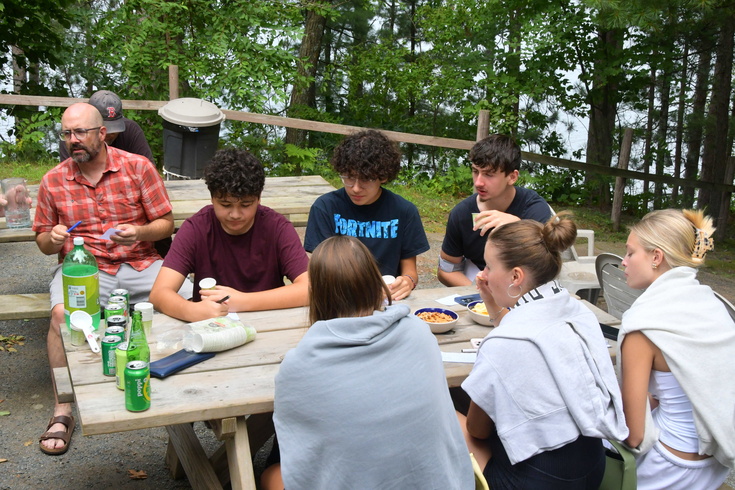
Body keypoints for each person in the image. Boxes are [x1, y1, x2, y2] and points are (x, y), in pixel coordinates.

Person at [261, 236, 474, 490]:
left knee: (270, 475)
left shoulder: (299, 365)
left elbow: (301, 448)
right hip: (441, 482)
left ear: (316, 294)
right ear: (374, 282)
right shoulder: (417, 330)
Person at [33, 102, 181, 455]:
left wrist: (140, 232)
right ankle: (63, 408)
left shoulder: (138, 167)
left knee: (186, 299)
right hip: (85, 271)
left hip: (141, 263)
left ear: (103, 133)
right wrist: (50, 239)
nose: (73, 140)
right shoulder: (53, 180)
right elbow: (40, 239)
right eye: (67, 133)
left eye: (81, 132)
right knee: (59, 316)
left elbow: (166, 223)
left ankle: (195, 390)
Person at [459, 216, 628, 488]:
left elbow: (476, 431)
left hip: (537, 481)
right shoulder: (577, 311)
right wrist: (493, 304)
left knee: (449, 413)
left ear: (516, 276)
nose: (484, 275)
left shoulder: (501, 343)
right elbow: (532, 331)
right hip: (593, 466)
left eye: (489, 266)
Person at [618, 209, 735, 489]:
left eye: (631, 253)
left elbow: (633, 436)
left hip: (671, 466)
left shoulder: (644, 326)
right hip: (716, 459)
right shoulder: (710, 303)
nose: (623, 262)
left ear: (656, 257)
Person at [149, 148, 309, 322]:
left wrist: (242, 301)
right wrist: (190, 310)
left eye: (246, 204)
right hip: (212, 327)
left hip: (269, 321)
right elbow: (159, 294)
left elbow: (310, 289)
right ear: (212, 198)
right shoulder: (195, 229)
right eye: (225, 205)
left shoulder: (278, 228)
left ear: (259, 198)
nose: (235, 214)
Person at [304, 130, 429, 301]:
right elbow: (319, 270)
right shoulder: (325, 207)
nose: (355, 188)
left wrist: (407, 282)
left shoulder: (404, 211)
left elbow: (410, 271)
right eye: (349, 177)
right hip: (339, 297)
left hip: (387, 298)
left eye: (365, 179)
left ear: (383, 177)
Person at [437, 134, 551, 286]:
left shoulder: (534, 208)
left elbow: (546, 264)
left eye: (489, 175)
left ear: (512, 177)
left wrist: (519, 226)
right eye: (475, 171)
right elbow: (447, 270)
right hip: (477, 287)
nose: (478, 182)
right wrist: (481, 294)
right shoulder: (461, 214)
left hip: (524, 287)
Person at [58, 90, 154, 163]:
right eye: (103, 129)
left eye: (114, 128)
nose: (109, 134)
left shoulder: (131, 130)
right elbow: (67, 174)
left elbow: (148, 169)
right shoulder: (73, 138)